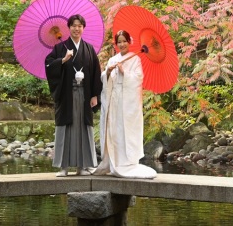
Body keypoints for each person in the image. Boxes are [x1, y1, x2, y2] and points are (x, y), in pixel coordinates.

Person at [45, 14, 102, 177]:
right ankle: (63, 167)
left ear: (83, 28)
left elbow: (96, 73)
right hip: (66, 94)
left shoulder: (89, 49)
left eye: (80, 26)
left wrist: (94, 95)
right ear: (68, 28)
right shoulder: (60, 48)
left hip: (84, 95)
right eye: (73, 26)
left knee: (82, 129)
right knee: (66, 128)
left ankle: (82, 167)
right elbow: (49, 65)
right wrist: (63, 59)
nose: (77, 29)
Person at [94, 30, 157, 179]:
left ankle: (126, 163)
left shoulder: (135, 60)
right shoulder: (112, 59)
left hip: (127, 102)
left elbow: (138, 79)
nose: (122, 44)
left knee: (125, 130)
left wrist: (124, 73)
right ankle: (113, 160)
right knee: (114, 129)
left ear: (129, 42)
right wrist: (107, 73)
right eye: (119, 42)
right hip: (114, 101)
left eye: (124, 41)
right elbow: (105, 80)